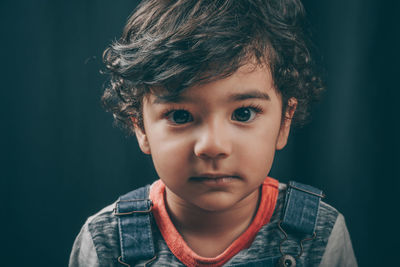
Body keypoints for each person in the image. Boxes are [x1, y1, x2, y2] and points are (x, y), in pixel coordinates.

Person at [69, 0, 357, 266]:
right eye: (180, 116)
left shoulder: (320, 234)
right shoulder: (105, 242)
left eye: (243, 113)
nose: (213, 146)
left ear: (284, 122)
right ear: (141, 128)